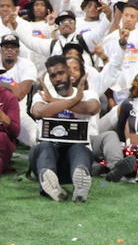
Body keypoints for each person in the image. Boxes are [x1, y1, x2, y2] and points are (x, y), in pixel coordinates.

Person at [30, 54, 100, 202]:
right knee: (44, 146)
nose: (57, 78)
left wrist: (53, 101)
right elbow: (39, 112)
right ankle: (51, 186)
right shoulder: (41, 95)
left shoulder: (87, 94)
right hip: (47, 158)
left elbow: (92, 108)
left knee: (79, 147)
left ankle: (80, 186)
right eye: (53, 75)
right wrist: (74, 100)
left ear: (69, 72)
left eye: (61, 73)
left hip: (72, 163)